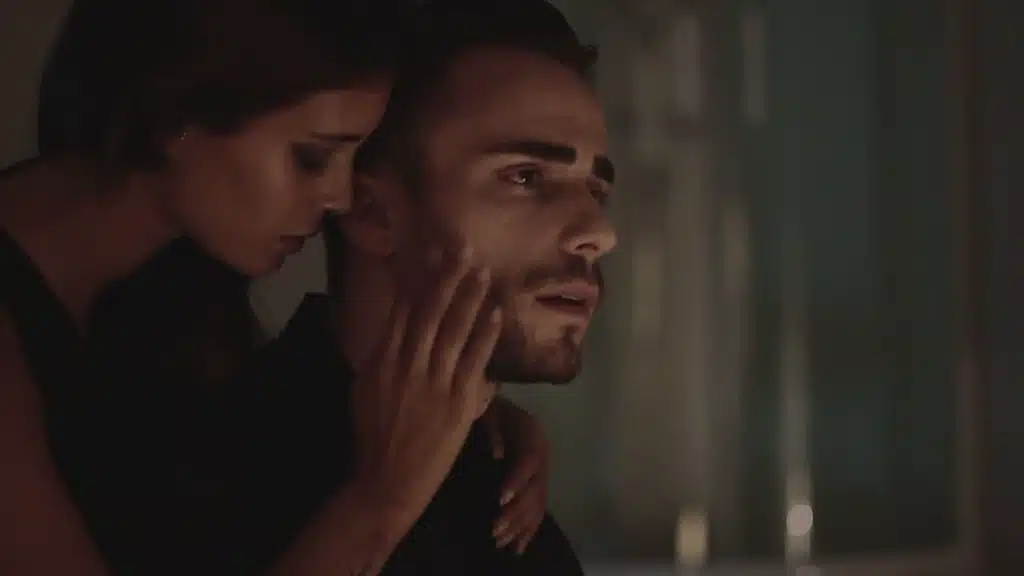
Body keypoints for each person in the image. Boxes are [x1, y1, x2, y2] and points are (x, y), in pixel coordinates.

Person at [0, 0, 552, 573]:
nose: (340, 196)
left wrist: (463, 417)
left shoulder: (172, 291)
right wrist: (383, 498)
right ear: (173, 117)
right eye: (312, 158)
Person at [196, 0, 618, 573]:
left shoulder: (506, 502)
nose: (599, 233)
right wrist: (379, 504)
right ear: (373, 212)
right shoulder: (198, 469)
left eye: (596, 190)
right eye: (525, 177)